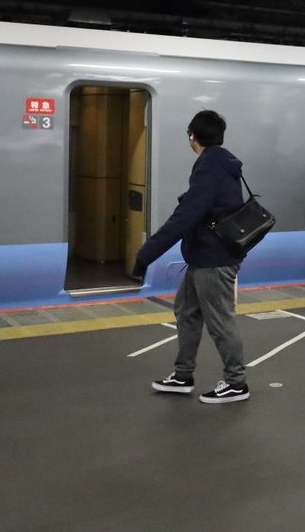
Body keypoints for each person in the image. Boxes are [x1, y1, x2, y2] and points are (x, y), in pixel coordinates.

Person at [134, 110, 250, 404]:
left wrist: (147, 254)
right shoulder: (220, 162)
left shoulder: (210, 166)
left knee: (220, 321)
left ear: (192, 137)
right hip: (205, 254)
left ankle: (236, 382)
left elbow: (186, 216)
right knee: (186, 311)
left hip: (215, 258)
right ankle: (183, 375)